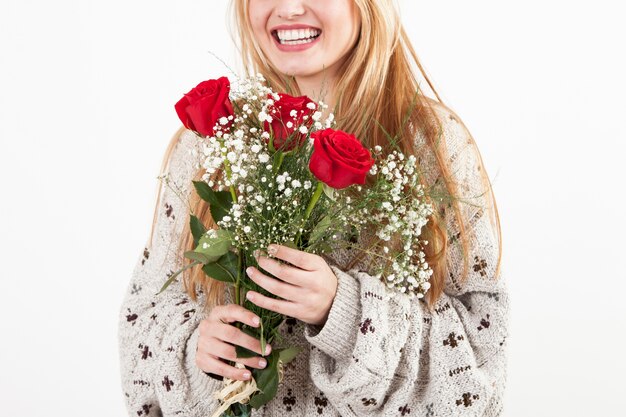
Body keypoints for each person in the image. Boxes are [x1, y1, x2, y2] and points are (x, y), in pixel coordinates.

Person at [117, 0, 510, 416]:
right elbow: (144, 320)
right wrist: (199, 348)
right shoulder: (208, 141)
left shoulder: (431, 143)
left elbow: (481, 370)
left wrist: (346, 313)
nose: (288, 8)